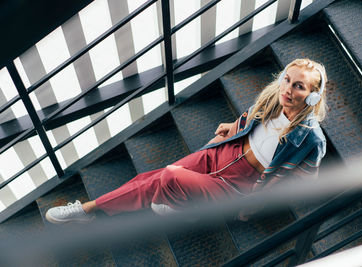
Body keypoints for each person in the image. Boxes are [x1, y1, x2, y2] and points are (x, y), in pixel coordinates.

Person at [45, 58, 327, 224]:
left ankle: (180, 208)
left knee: (169, 176)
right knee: (149, 177)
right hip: (222, 153)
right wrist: (234, 127)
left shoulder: (310, 138)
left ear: (313, 95)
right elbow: (253, 121)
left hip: (238, 185)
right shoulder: (272, 98)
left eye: (298, 86)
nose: (287, 89)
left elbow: (306, 180)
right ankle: (88, 209)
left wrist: (261, 199)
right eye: (287, 80)